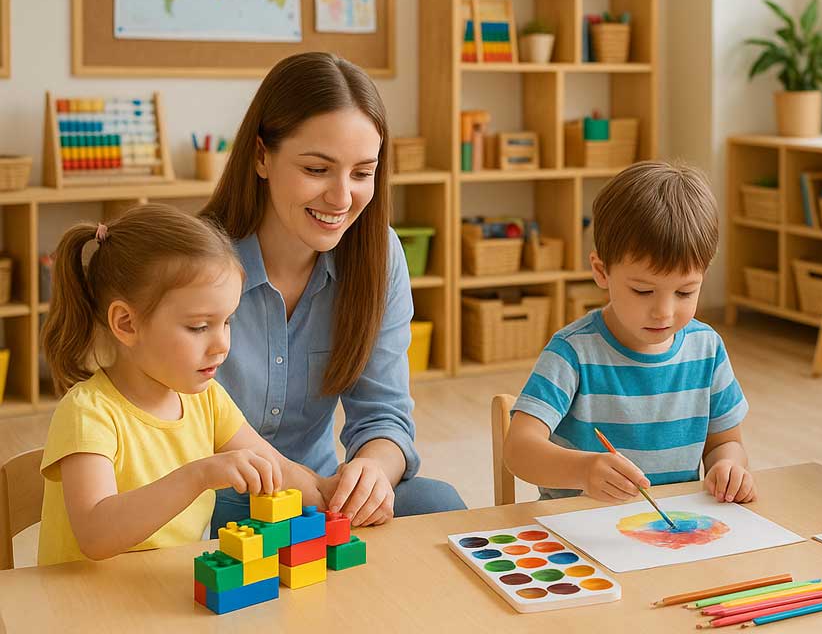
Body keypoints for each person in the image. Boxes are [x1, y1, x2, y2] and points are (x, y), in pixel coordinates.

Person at [202, 52, 464, 532]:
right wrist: (306, 486)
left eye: (362, 173)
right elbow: (167, 426)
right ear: (262, 156)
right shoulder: (193, 261)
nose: (342, 199)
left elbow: (384, 414)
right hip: (204, 507)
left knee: (436, 501)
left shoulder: (378, 256)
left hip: (321, 501)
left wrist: (371, 474)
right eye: (318, 170)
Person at [38, 204, 301, 565]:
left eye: (227, 322)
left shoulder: (207, 399)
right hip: (82, 610)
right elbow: (95, 535)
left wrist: (329, 490)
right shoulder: (87, 414)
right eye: (199, 326)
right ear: (127, 324)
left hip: (164, 596)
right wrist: (199, 475)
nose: (223, 343)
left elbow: (276, 467)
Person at [504, 161, 754, 503]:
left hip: (673, 534)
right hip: (578, 534)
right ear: (601, 271)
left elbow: (726, 442)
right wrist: (583, 471)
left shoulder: (706, 349)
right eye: (643, 291)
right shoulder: (573, 352)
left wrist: (729, 468)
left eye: (685, 292)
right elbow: (518, 450)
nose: (664, 312)